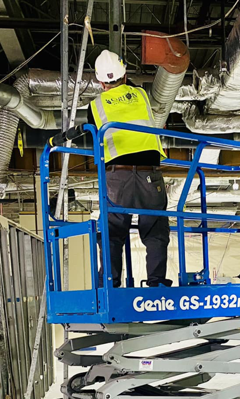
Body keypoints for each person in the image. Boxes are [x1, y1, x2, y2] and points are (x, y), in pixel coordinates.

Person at [55, 50, 170, 288]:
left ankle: (110, 281)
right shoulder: (140, 94)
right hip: (150, 172)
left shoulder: (95, 106)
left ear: (100, 81)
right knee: (156, 227)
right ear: (125, 74)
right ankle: (157, 281)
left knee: (114, 229)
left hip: (117, 174)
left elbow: (96, 132)